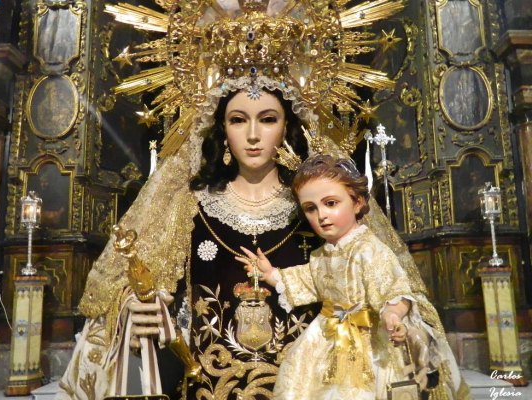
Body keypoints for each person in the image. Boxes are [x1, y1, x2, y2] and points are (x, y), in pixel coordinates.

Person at [57, 2, 470, 399]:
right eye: (238, 120)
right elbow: (138, 292)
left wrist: (395, 317)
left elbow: (381, 279)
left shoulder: (316, 209)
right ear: (222, 130)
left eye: (268, 119)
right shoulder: (186, 205)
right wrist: (136, 307)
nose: (253, 136)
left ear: (287, 127)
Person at [237, 155, 433, 399]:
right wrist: (270, 274)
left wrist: (392, 315)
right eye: (311, 208)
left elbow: (394, 290)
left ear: (357, 202)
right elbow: (307, 280)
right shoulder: (321, 255)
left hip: (365, 338)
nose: (322, 215)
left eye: (331, 203)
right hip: (326, 335)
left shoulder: (370, 250)